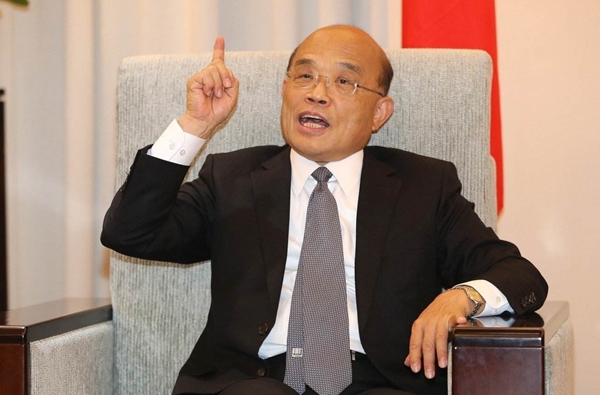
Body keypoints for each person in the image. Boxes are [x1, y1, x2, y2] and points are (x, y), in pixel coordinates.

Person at [101, 25, 548, 395]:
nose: (317, 93)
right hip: (251, 382)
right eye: (304, 76)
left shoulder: (424, 187)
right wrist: (195, 126)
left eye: (344, 82)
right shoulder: (232, 178)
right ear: (285, 91)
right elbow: (131, 233)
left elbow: (521, 276)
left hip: (380, 381)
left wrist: (462, 296)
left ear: (380, 113)